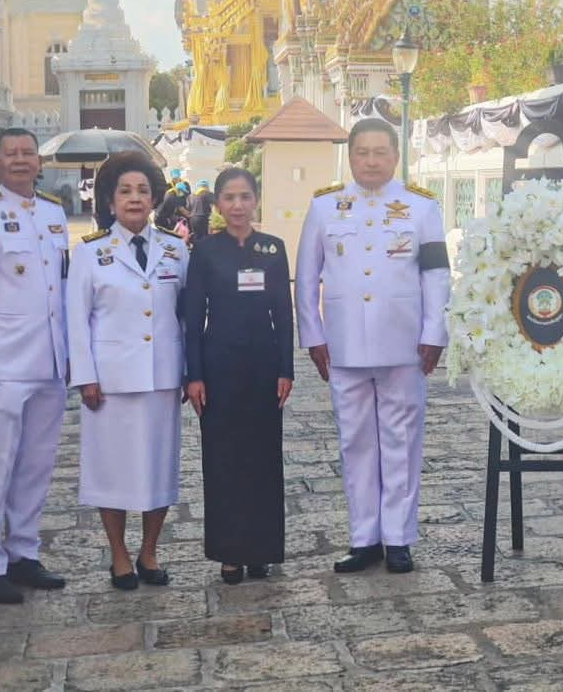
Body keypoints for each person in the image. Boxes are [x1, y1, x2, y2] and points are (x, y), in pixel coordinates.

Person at [295, 118, 451, 575]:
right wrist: (313, 335)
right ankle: (364, 538)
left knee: (402, 441)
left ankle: (398, 537)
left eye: (380, 152)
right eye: (362, 152)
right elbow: (306, 276)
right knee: (356, 442)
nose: (371, 161)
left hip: (404, 343)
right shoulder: (325, 206)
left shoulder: (421, 207)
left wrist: (434, 333)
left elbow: (436, 275)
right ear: (350, 156)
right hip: (344, 345)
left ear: (396, 156)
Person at [0, 128, 70, 604]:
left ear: (39, 162)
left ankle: (23, 551)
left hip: (50, 359)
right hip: (3, 361)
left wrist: (70, 355)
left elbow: (61, 287)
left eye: (28, 152)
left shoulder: (54, 212)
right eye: (11, 153)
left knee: (37, 464)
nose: (21, 160)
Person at [67, 152, 185, 589]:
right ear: (110, 200)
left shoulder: (175, 249)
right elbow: (76, 320)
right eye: (125, 191)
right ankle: (118, 554)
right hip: (110, 382)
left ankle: (149, 551)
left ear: (154, 198)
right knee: (112, 470)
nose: (135, 199)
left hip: (162, 377)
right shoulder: (90, 252)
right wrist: (86, 376)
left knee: (159, 468)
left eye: (142, 191)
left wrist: (189, 371)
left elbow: (187, 315)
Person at [181, 166, 294, 583]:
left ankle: (261, 549)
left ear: (256, 200)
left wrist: (286, 368)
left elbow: (284, 313)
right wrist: (194, 375)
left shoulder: (273, 249)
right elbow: (193, 318)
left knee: (263, 459)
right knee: (223, 459)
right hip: (219, 368)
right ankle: (230, 551)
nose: (238, 205)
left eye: (245, 196)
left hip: (264, 367)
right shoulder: (206, 251)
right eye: (229, 197)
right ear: (217, 204)